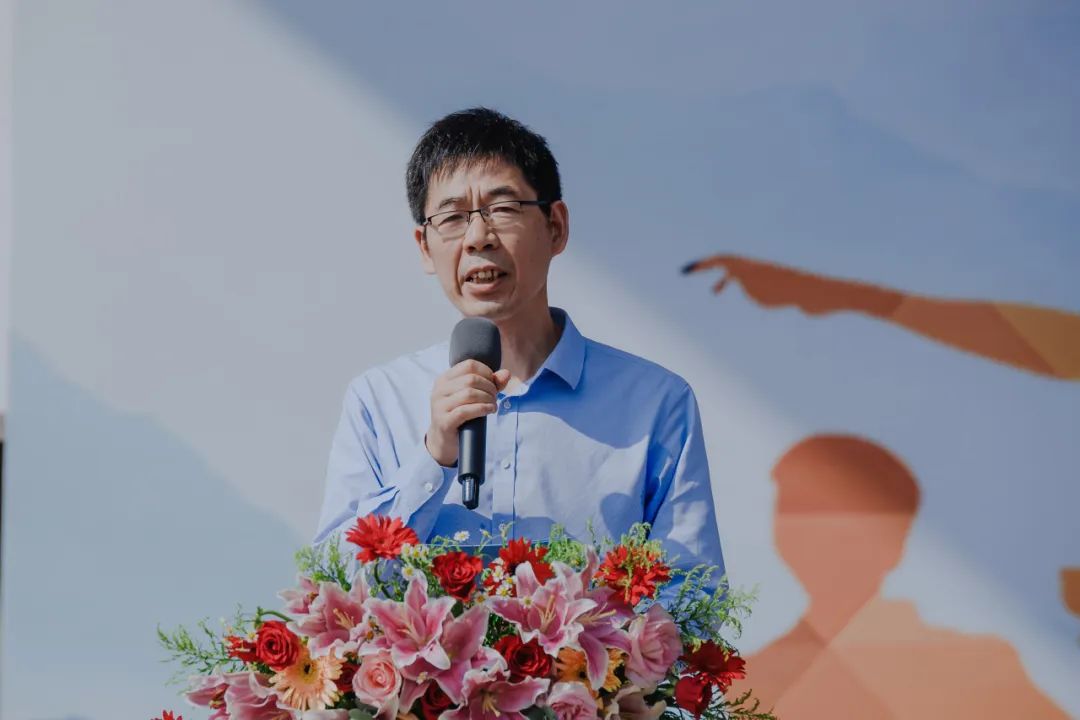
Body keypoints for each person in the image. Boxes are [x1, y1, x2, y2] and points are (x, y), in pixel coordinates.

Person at [314, 108, 724, 589]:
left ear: (556, 227)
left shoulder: (655, 403)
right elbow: (332, 586)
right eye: (452, 218)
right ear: (425, 247)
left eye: (503, 209)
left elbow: (694, 596)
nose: (478, 238)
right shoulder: (378, 400)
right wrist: (434, 458)